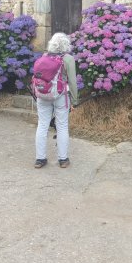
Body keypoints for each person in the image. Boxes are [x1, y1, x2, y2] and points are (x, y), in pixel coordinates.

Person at [34, 32, 79, 169]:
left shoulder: (44, 56)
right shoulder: (68, 59)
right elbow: (72, 82)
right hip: (61, 96)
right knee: (62, 126)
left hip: (43, 94)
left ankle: (40, 159)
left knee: (42, 125)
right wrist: (75, 101)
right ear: (66, 44)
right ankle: (63, 159)